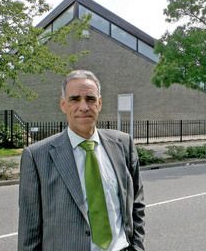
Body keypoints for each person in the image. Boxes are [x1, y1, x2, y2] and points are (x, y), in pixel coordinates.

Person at [18, 70, 145, 251]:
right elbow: (29, 230)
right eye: (75, 99)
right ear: (63, 105)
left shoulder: (123, 144)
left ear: (99, 103)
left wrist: (137, 247)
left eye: (90, 99)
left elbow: (136, 204)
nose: (84, 107)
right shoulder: (37, 156)